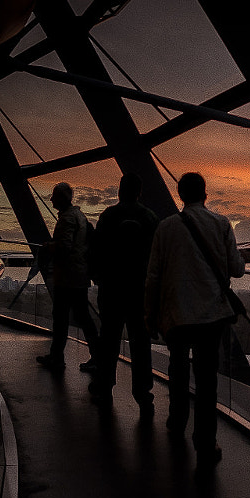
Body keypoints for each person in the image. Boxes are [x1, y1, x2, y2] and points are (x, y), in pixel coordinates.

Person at [145, 171, 244, 464]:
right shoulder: (221, 224)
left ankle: (176, 421)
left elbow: (153, 276)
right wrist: (244, 261)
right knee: (206, 379)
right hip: (211, 316)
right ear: (205, 193)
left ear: (180, 195)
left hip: (176, 314)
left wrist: (150, 314)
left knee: (177, 370)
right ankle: (204, 440)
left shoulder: (166, 228)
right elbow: (236, 269)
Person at [88, 174, 158, 414]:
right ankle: (143, 395)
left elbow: (96, 252)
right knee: (141, 343)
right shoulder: (149, 218)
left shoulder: (108, 216)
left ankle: (105, 388)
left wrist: (100, 278)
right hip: (139, 291)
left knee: (108, 340)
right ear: (139, 191)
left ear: (120, 191)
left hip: (112, 289)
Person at [37, 182, 100, 371]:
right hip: (78, 276)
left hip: (67, 277)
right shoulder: (79, 215)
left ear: (61, 198)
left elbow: (64, 247)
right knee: (83, 317)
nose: (51, 199)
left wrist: (49, 247)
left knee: (61, 318)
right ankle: (96, 356)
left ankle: (58, 358)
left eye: (54, 196)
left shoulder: (66, 219)